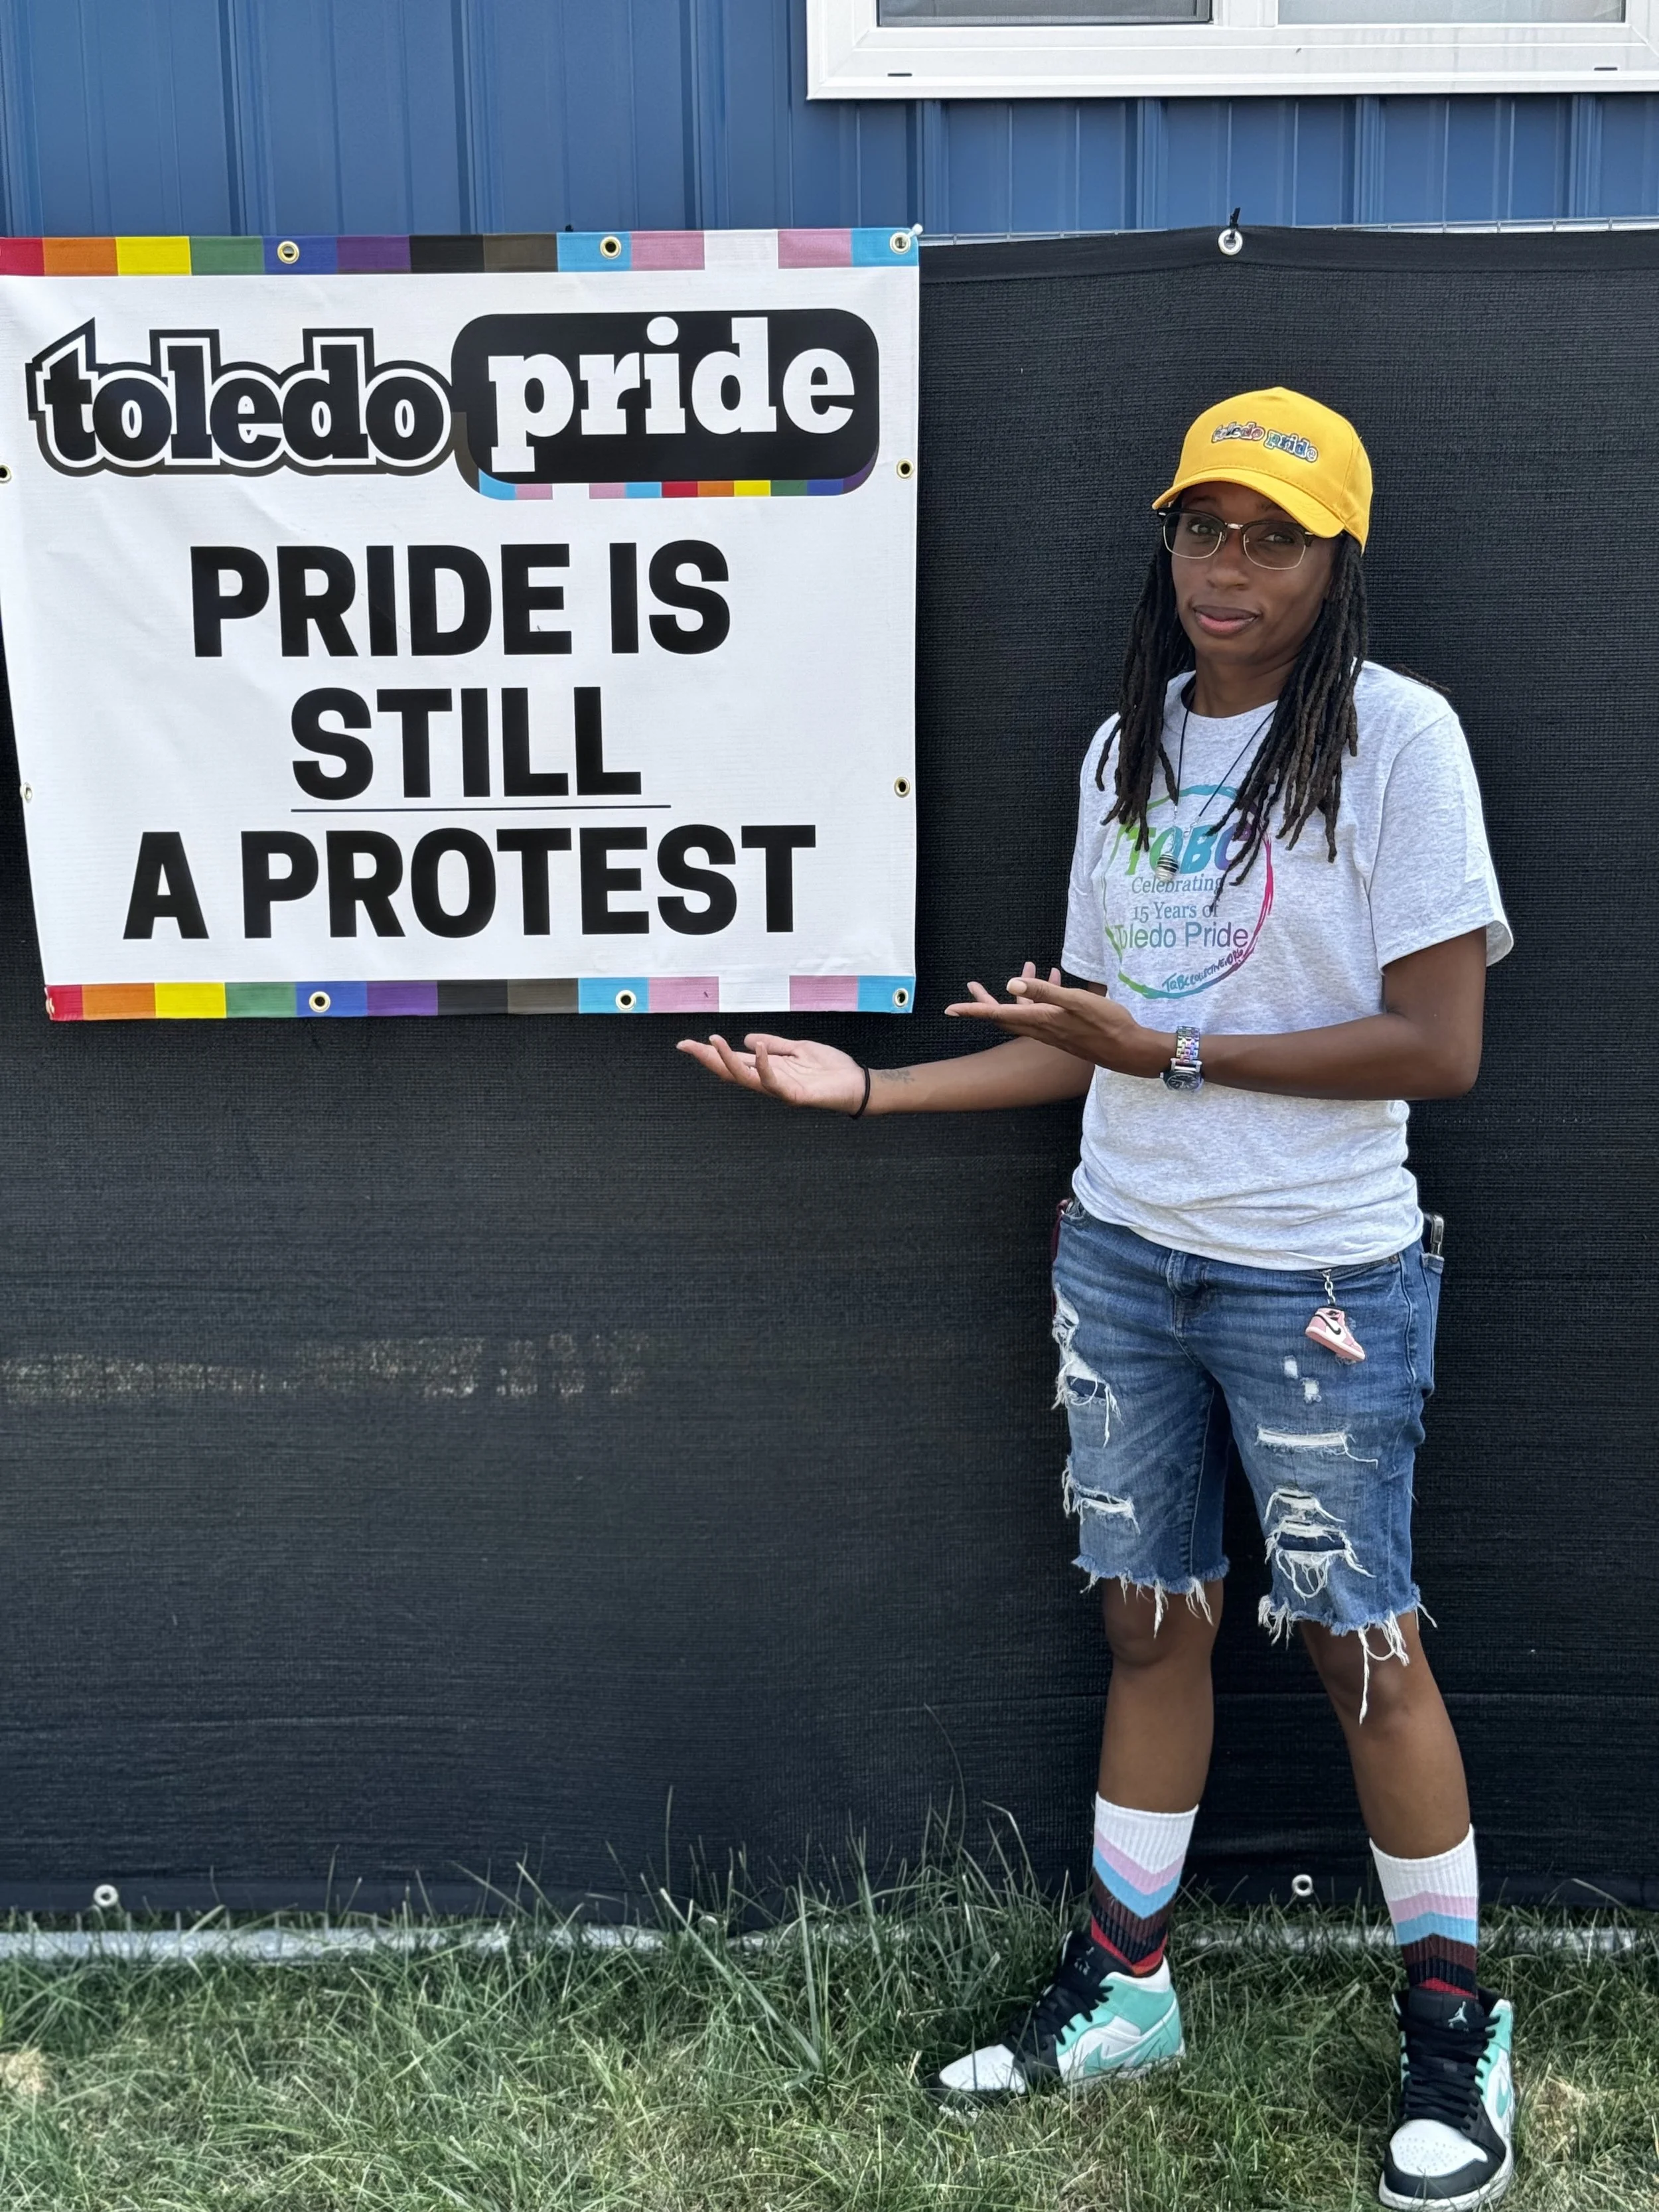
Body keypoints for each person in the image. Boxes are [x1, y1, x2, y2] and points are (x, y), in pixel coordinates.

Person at [678, 387, 1514, 2212]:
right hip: (1120, 1254)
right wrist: (876, 1088)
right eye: (1201, 528)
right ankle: (1125, 1984)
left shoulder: (1394, 742)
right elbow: (1088, 1053)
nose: (1227, 567)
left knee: (1359, 1642)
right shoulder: (1123, 748)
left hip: (1316, 1272)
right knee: (1151, 1623)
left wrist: (1172, 1044)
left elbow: (1438, 1045)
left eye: (1270, 536)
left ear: (1332, 559)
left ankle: (1453, 2020)